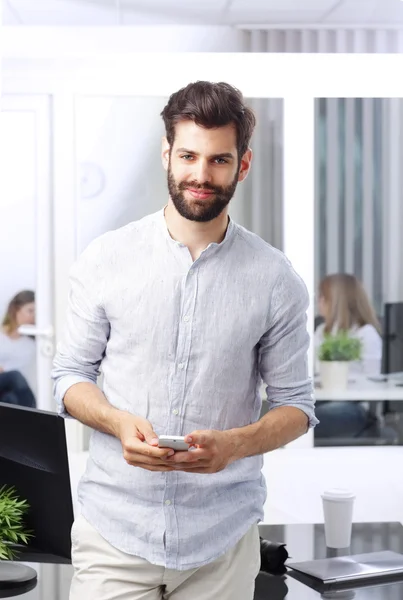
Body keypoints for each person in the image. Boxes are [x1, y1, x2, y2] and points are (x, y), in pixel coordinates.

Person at [52, 81, 317, 600]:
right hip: (114, 534)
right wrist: (116, 421)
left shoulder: (275, 278)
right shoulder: (105, 259)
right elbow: (70, 378)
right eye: (189, 156)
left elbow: (297, 407)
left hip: (220, 543)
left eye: (219, 160)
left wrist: (234, 445)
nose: (200, 175)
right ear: (166, 155)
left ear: (242, 165)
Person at [314, 273, 382, 438]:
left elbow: (371, 382)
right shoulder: (321, 331)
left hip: (353, 406)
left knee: (306, 421)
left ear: (337, 301)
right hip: (321, 399)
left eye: (323, 297)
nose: (319, 302)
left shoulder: (366, 334)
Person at [0, 290, 36, 408]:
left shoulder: (33, 343)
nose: (33, 316)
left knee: (10, 399)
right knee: (15, 376)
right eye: (30, 311)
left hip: (12, 392)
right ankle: (33, 413)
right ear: (16, 309)